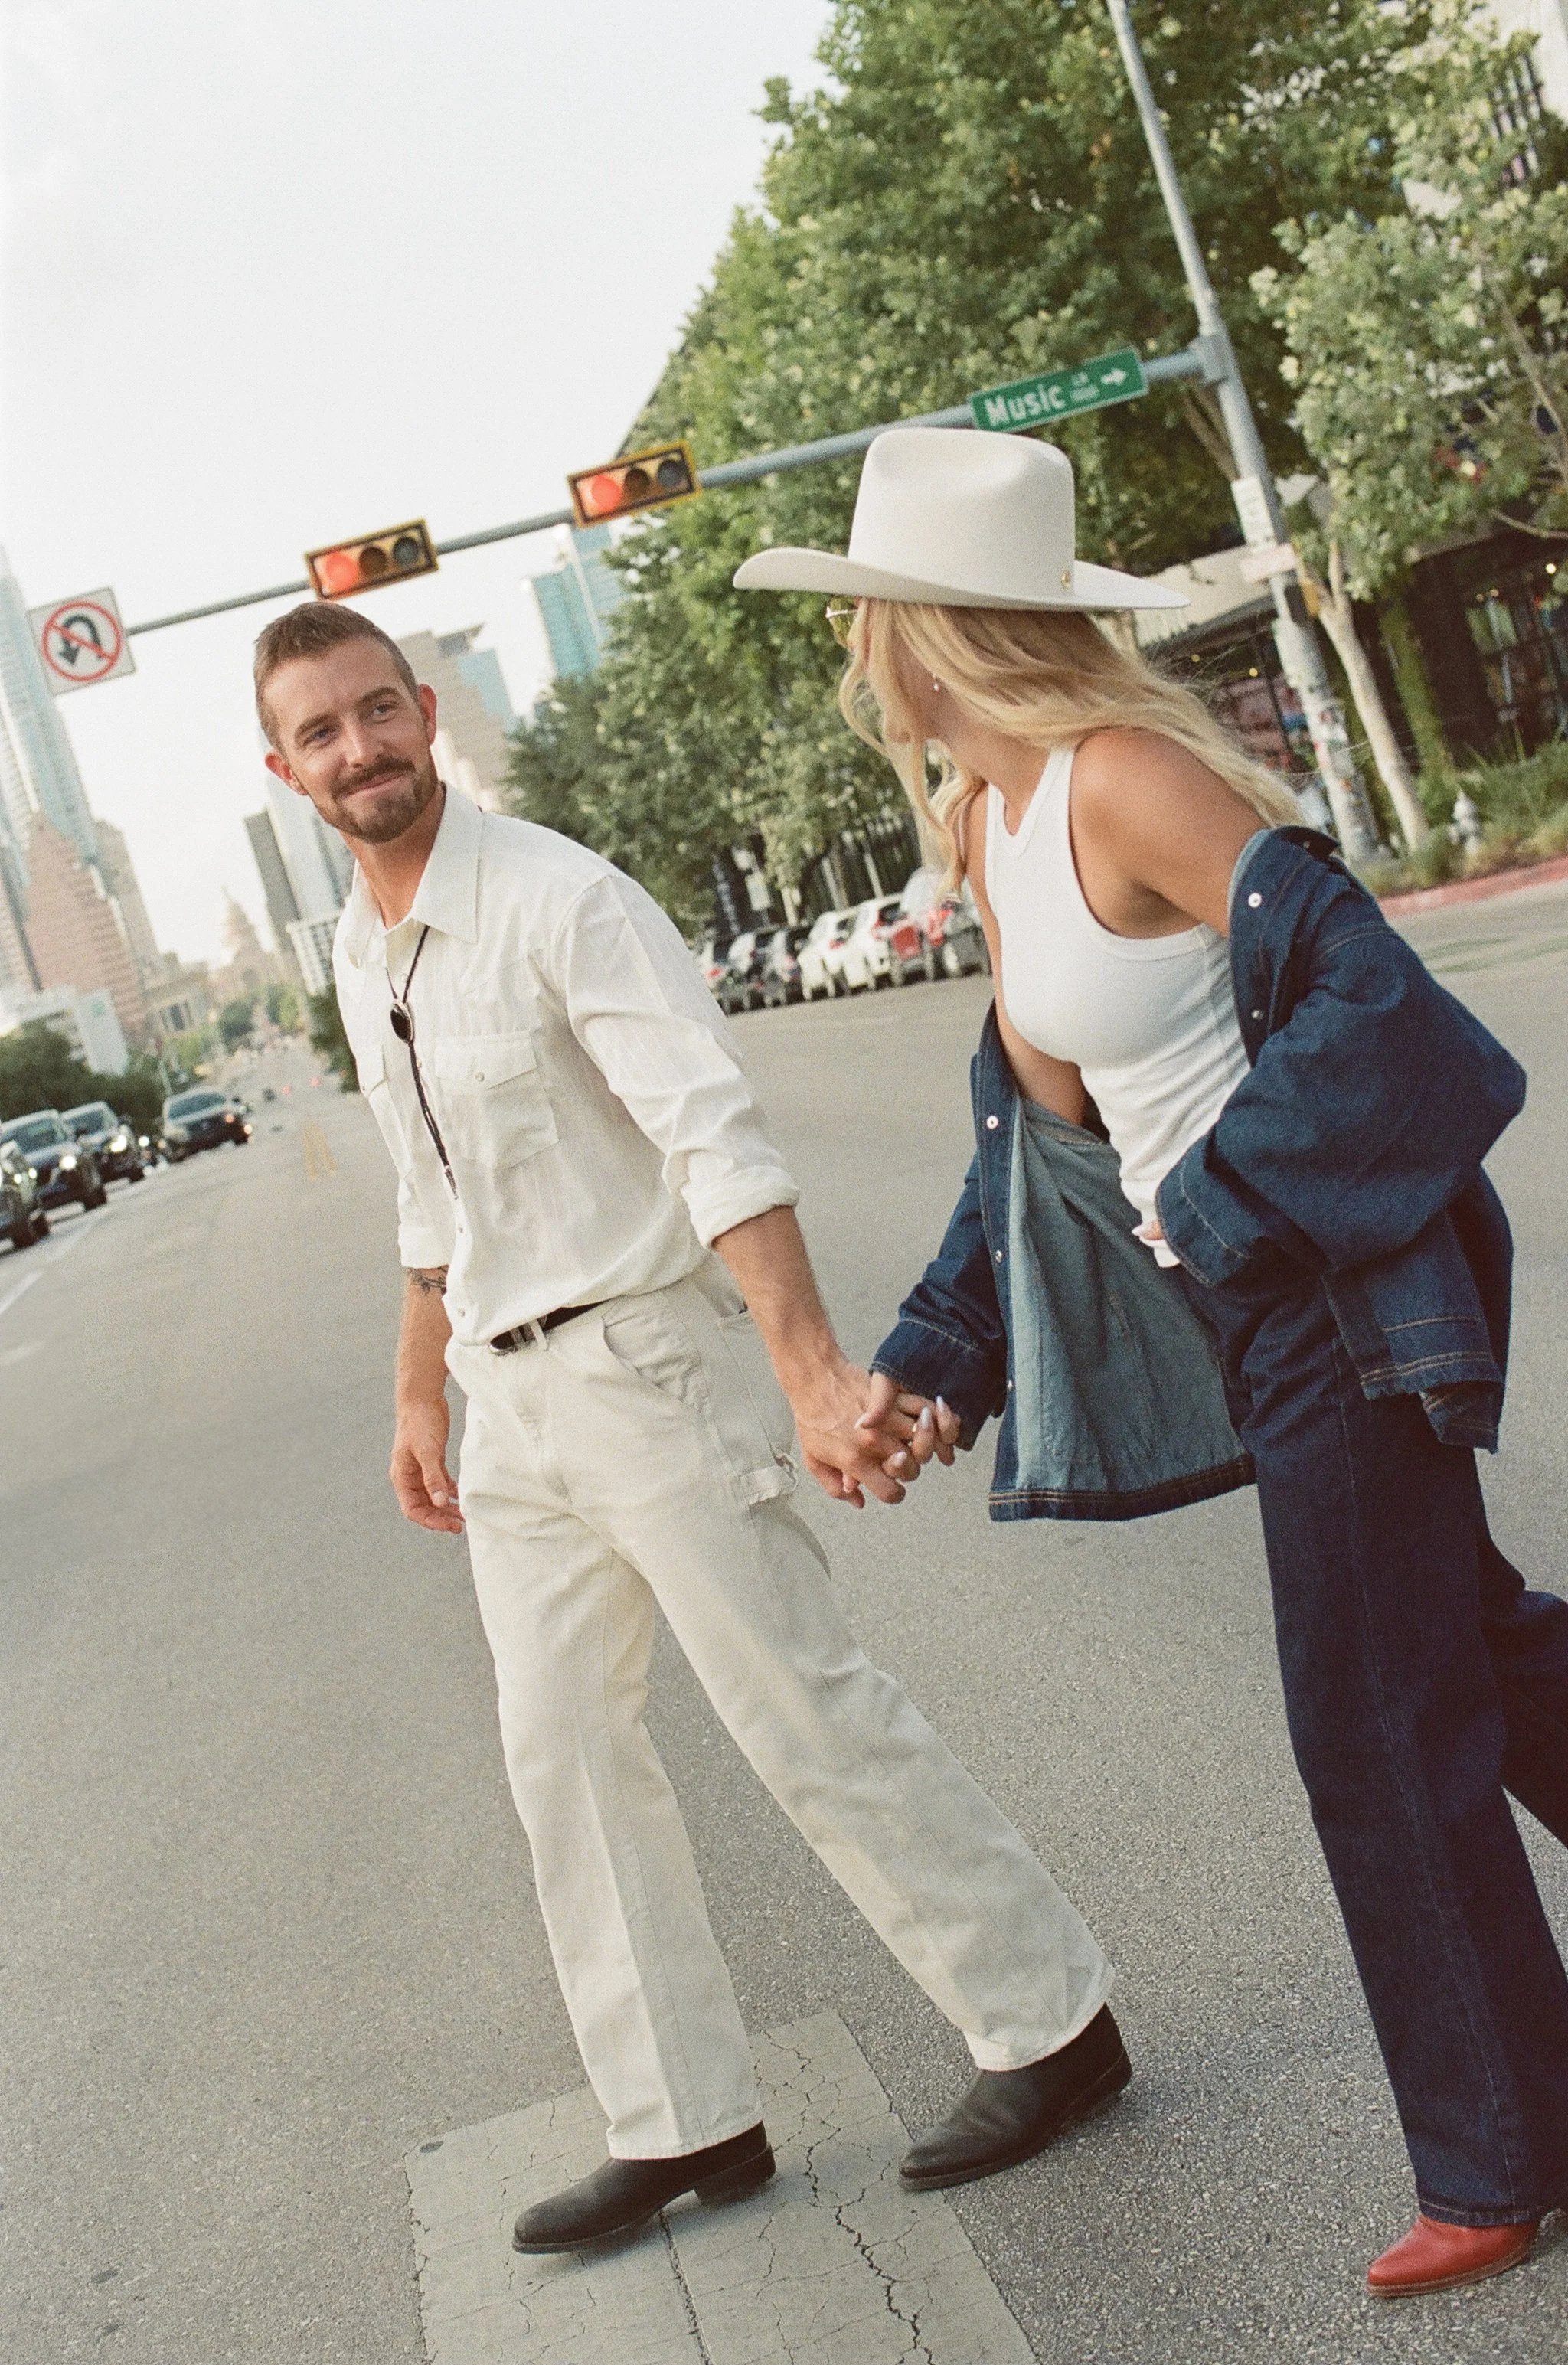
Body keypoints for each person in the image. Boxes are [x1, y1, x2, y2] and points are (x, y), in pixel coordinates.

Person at [735, 426, 1568, 2300]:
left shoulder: (1124, 777)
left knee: (1371, 1718)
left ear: (925, 626)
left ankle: (1503, 2154)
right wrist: (938, 1365)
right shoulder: (986, 820)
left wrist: (1230, 1202)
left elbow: (1379, 1000)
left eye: (870, 616)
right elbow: (1032, 1151)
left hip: (1342, 1298)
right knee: (1471, 1645)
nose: (862, 652)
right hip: (1262, 1302)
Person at [253, 597, 1130, 2257]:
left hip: (650, 1364)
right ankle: (683, 2117)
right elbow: (430, 1194)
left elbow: (713, 1139)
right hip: (512, 1408)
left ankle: (1051, 2024)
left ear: (424, 708)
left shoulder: (562, 901)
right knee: (563, 1754)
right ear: (283, 765)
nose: (360, 747)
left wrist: (805, 1369)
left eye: (378, 710)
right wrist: (415, 1387)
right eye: (322, 730)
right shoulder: (368, 950)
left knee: (801, 1711)